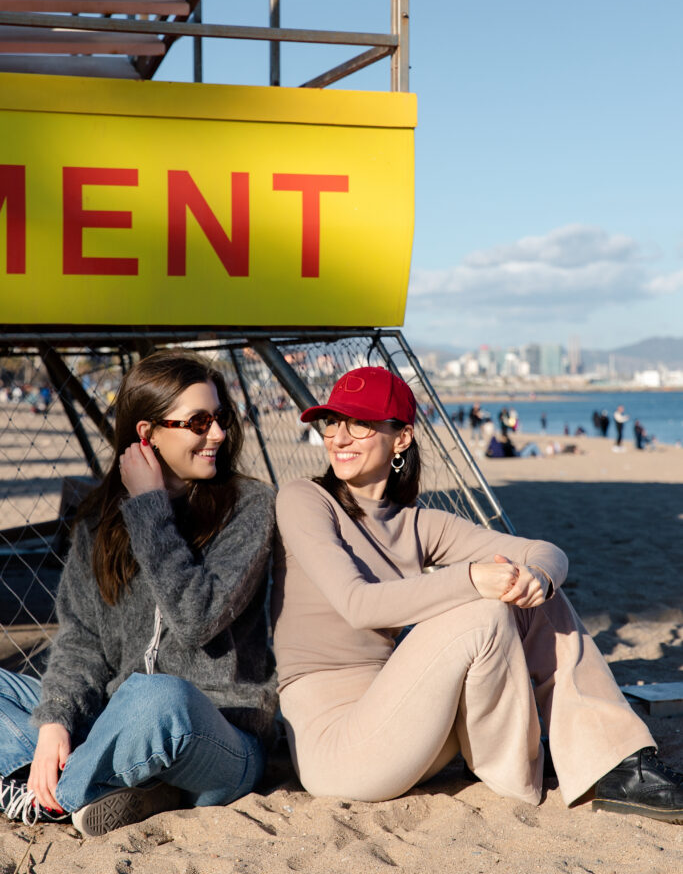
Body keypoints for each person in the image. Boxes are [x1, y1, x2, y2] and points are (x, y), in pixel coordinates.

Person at [272, 366, 683, 822]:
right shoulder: (304, 499)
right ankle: (516, 773)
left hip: (412, 726)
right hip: (340, 748)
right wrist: (470, 579)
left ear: (401, 438)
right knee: (483, 612)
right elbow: (357, 604)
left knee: (527, 591)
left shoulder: (417, 522)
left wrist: (539, 578)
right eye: (332, 422)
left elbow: (545, 552)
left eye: (360, 424)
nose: (339, 438)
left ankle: (617, 761)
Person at [0, 350, 277, 836]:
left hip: (218, 733)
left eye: (221, 418)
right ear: (147, 433)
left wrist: (150, 508)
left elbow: (197, 617)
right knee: (36, 697)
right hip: (114, 723)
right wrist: (55, 724)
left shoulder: (250, 507)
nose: (218, 434)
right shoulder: (99, 522)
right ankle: (99, 781)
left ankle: (49, 797)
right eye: (199, 421)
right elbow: (81, 642)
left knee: (156, 697)